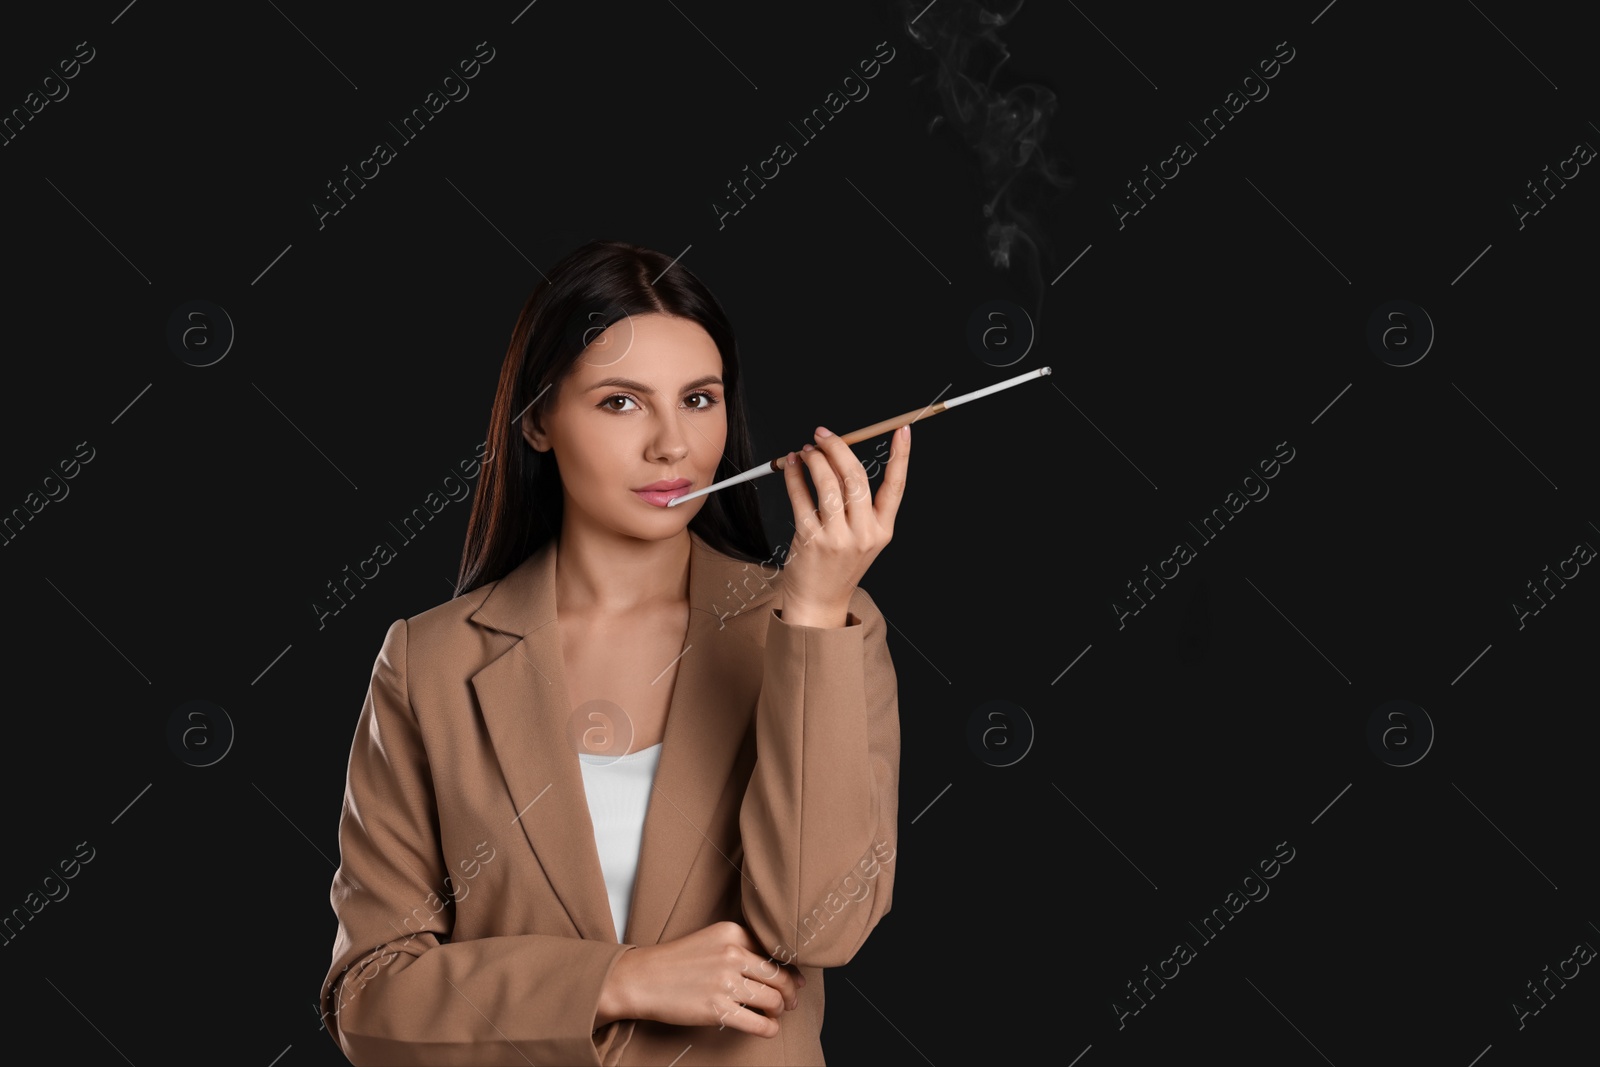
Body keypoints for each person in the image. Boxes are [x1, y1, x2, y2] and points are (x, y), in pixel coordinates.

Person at [319, 239, 908, 1065]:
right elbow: (372, 999)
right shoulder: (430, 661)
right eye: (622, 403)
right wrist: (618, 979)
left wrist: (810, 614)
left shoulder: (831, 628)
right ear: (536, 420)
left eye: (699, 399)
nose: (673, 445)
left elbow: (820, 925)